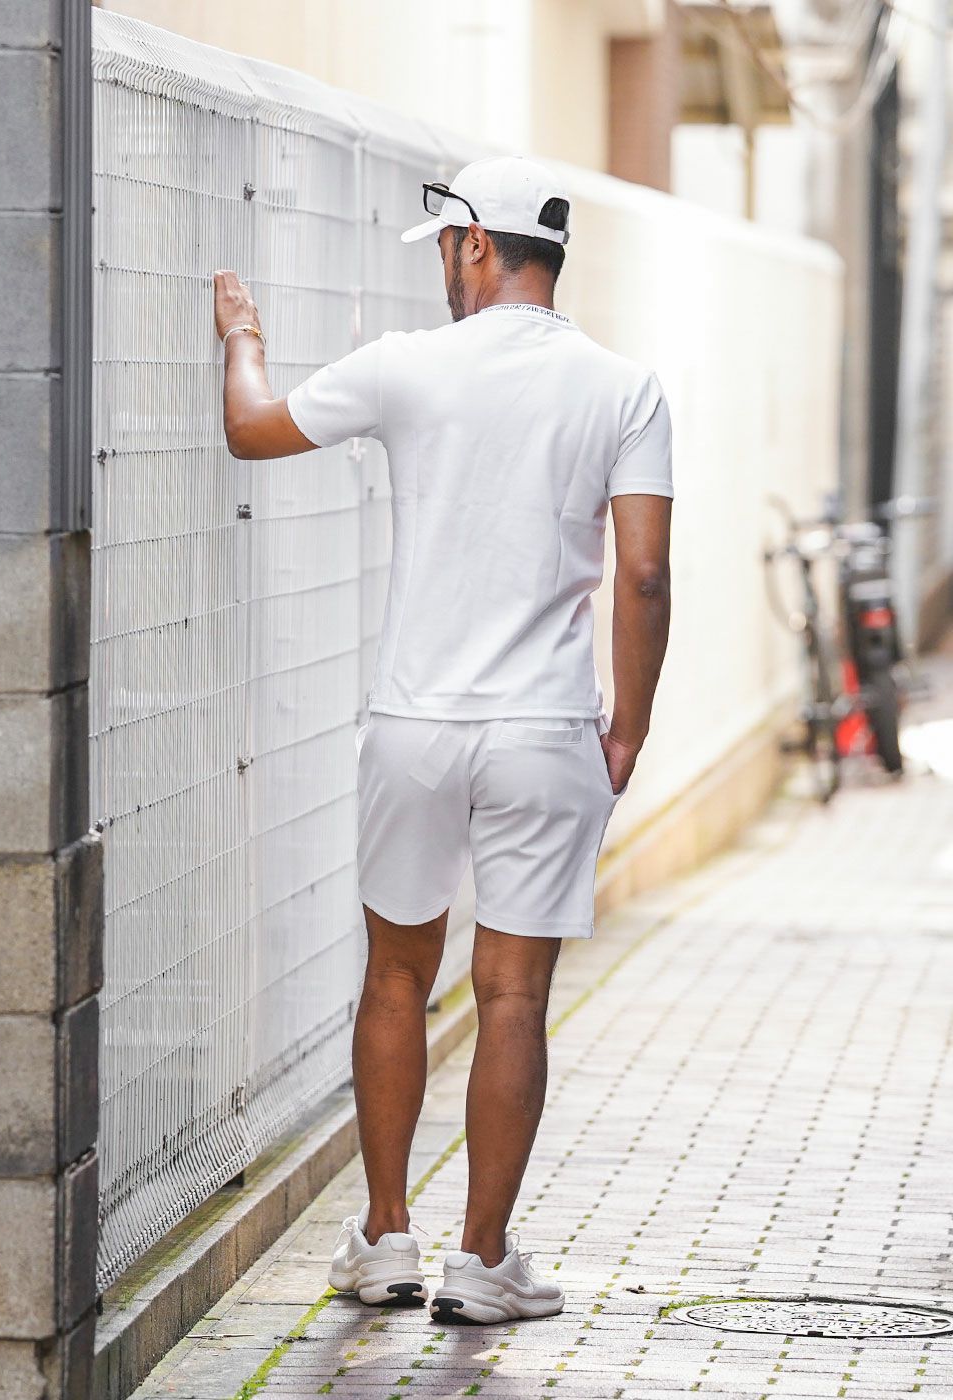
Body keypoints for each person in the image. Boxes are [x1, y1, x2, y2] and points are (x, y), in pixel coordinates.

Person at [213, 154, 673, 1324]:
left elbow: (252, 429)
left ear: (475, 244)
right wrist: (627, 723)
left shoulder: (408, 365)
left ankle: (384, 1238)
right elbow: (644, 572)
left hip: (414, 721)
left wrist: (242, 338)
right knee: (512, 992)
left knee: (397, 973)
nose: (446, 277)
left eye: (449, 255)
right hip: (544, 728)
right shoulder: (625, 388)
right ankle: (480, 1258)